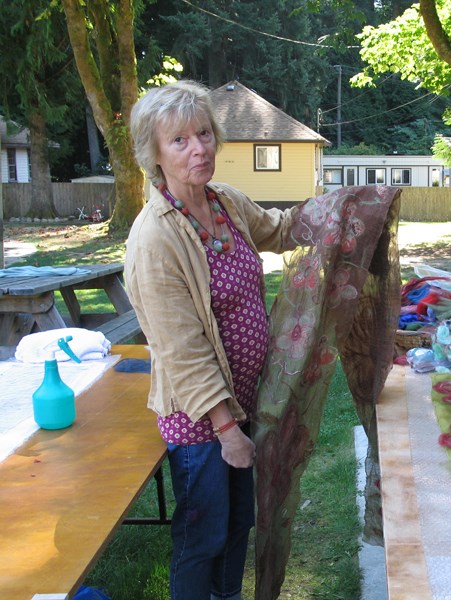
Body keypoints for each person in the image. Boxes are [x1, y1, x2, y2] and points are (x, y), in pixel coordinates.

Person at [125, 80, 300, 600]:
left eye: (204, 133)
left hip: (242, 407)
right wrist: (228, 431)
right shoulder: (154, 239)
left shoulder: (225, 203)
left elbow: (281, 229)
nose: (198, 148)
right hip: (202, 420)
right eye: (179, 140)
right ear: (154, 154)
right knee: (202, 537)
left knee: (238, 525)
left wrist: (343, 211)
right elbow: (183, 352)